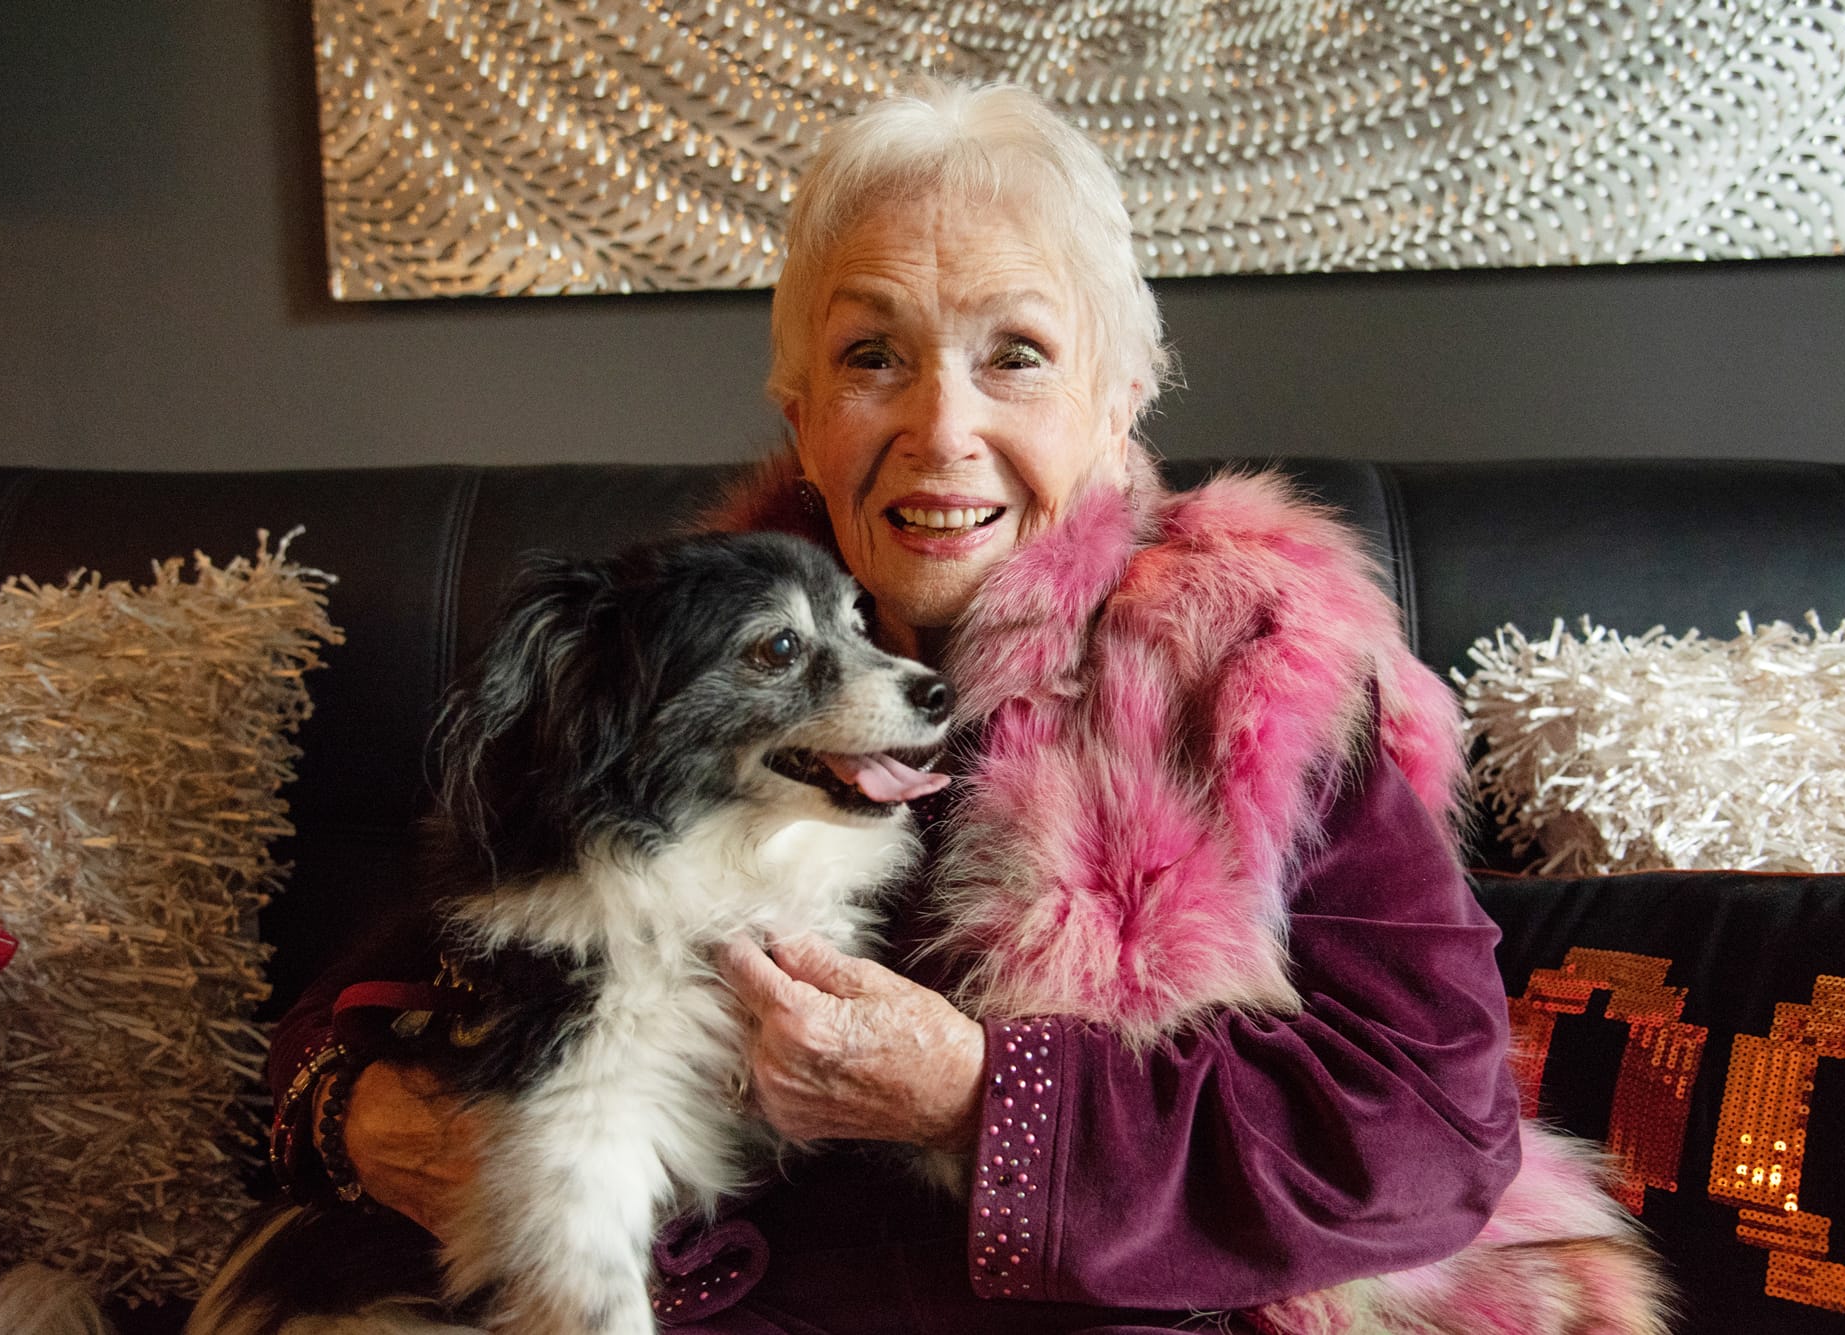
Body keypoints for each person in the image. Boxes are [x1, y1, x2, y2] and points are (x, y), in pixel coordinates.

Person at [269, 80, 1664, 1334]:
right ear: (803, 410)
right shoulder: (670, 659)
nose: (942, 431)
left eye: (1017, 356)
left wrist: (984, 1095)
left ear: (1118, 402)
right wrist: (356, 1115)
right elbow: (426, 972)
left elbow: (1429, 1127)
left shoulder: (1252, 678)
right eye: (874, 357)